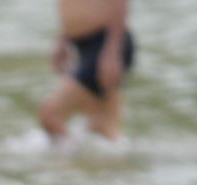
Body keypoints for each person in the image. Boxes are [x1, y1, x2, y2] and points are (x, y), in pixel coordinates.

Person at [37, 0, 135, 143]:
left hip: (105, 46)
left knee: (50, 115)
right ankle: (100, 162)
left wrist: (113, 51)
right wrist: (63, 39)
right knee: (102, 129)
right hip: (84, 46)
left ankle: (75, 159)